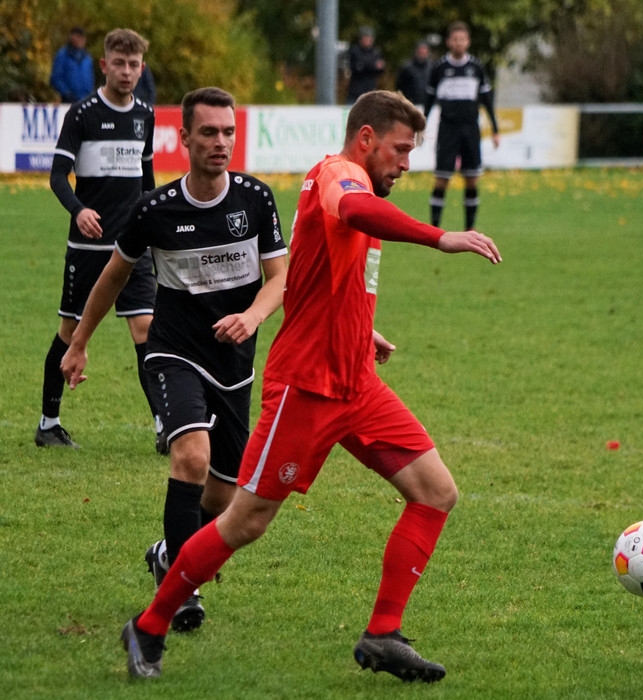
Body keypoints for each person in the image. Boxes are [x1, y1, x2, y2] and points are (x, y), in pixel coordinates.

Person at [117, 89, 501, 683]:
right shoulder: (338, 175)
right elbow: (354, 211)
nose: (406, 164)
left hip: (357, 382)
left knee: (435, 492)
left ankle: (383, 634)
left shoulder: (360, 182)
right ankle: (149, 625)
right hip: (308, 387)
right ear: (366, 139)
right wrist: (439, 236)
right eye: (400, 150)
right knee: (245, 521)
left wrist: (362, 329)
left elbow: (327, 274)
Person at [62, 86, 288, 633]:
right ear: (183, 137)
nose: (220, 142)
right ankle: (180, 593)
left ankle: (168, 553)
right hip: (174, 351)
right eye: (208, 132)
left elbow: (281, 278)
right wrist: (79, 341)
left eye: (228, 132)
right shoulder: (155, 209)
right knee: (190, 456)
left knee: (224, 493)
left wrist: (252, 316)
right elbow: (113, 277)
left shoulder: (255, 199)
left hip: (234, 361)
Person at [37, 28, 156, 450]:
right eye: (119, 64)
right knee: (70, 330)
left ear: (141, 68)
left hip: (132, 247)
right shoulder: (82, 113)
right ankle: (48, 423)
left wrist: (153, 224)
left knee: (147, 329)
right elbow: (57, 176)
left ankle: (165, 426)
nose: (126, 71)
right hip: (88, 248)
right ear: (104, 65)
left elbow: (146, 179)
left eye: (133, 65)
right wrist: (79, 210)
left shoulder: (145, 115)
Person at [425, 20, 500, 231]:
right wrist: (421, 125)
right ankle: (434, 228)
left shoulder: (476, 67)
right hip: (448, 129)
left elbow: (487, 100)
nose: (459, 43)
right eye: (455, 39)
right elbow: (429, 99)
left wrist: (495, 129)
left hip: (470, 129)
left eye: (462, 39)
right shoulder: (439, 68)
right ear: (449, 42)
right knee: (442, 179)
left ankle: (470, 228)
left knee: (472, 178)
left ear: (468, 42)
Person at [50, 26, 94, 103]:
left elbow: (90, 78)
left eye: (83, 38)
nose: (82, 40)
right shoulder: (62, 55)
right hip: (68, 100)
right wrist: (66, 93)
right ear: (72, 38)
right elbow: (55, 78)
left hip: (85, 100)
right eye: (78, 37)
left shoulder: (87, 57)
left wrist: (90, 94)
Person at [345, 26, 385, 103]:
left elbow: (380, 69)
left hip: (370, 90)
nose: (367, 40)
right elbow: (357, 68)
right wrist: (373, 66)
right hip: (356, 91)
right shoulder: (355, 51)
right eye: (365, 37)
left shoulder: (376, 52)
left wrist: (367, 65)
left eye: (369, 38)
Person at [395, 40, 432, 109]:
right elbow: (399, 85)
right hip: (412, 104)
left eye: (425, 50)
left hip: (427, 104)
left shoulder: (431, 67)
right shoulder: (407, 68)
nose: (423, 52)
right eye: (421, 50)